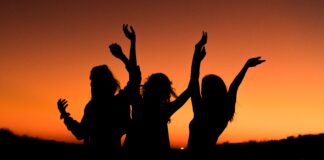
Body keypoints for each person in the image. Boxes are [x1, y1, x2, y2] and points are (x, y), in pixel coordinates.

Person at [57, 24, 138, 159]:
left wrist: (65, 115)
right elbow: (135, 77)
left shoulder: (94, 107)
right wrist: (126, 51)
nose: (91, 84)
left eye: (93, 81)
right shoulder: (118, 101)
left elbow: (80, 133)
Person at [187, 32, 265, 159]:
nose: (201, 92)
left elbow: (194, 78)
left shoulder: (200, 109)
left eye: (204, 89)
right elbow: (233, 87)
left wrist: (197, 52)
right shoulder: (225, 111)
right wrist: (246, 66)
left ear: (208, 91)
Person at [121, 35, 192, 160]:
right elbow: (191, 88)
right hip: (158, 156)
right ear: (166, 92)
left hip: (132, 154)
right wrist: (196, 57)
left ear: (148, 87)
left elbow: (133, 74)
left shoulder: (139, 103)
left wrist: (132, 42)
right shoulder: (165, 109)